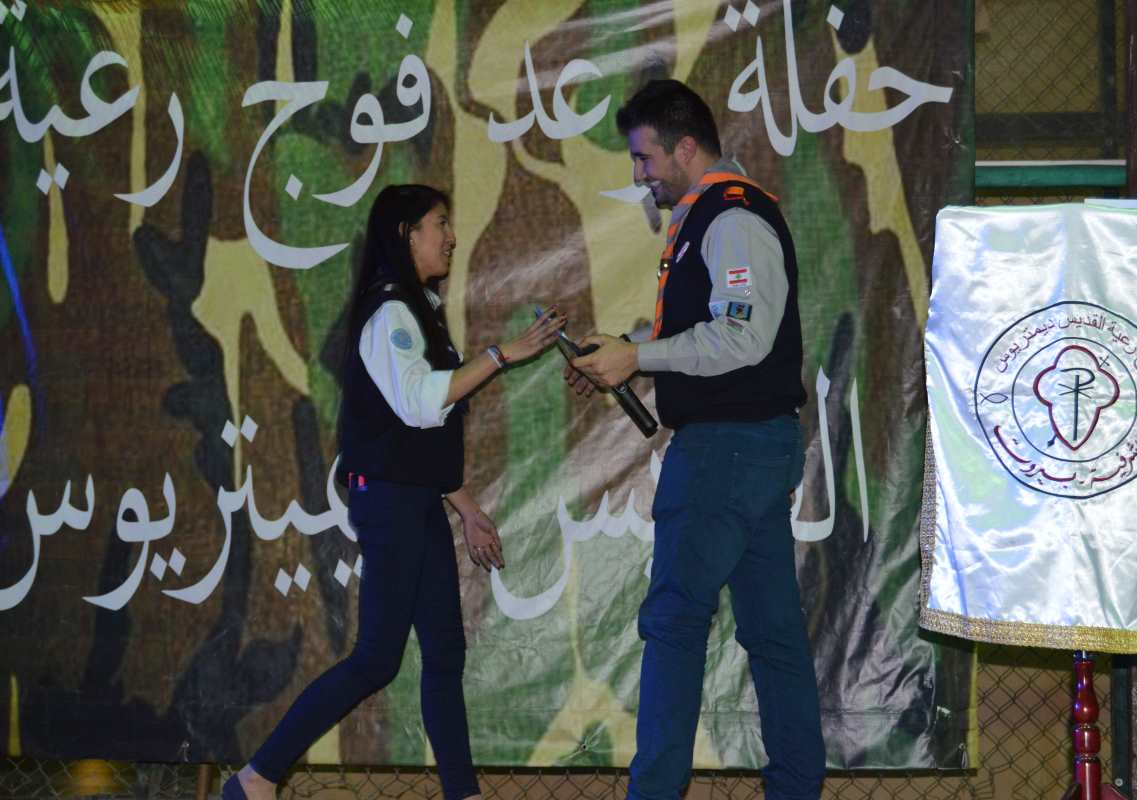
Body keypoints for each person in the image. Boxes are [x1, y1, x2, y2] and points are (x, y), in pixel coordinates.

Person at [223, 184, 566, 800]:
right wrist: (501, 354)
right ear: (407, 234)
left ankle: (463, 793)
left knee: (445, 653)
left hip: (416, 498)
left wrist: (467, 509)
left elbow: (420, 440)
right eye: (440, 224)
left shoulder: (418, 308)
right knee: (377, 659)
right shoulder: (390, 312)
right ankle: (258, 776)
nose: (452, 237)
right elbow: (418, 404)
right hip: (391, 501)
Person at [568, 80, 825, 799]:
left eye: (644, 158)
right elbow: (714, 330)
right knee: (772, 636)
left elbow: (741, 337)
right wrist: (623, 349)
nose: (639, 174)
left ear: (685, 148)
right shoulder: (710, 217)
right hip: (749, 448)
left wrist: (638, 357)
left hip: (725, 451)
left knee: (675, 623)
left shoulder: (730, 215)